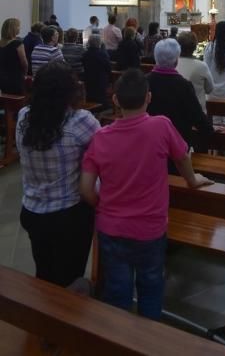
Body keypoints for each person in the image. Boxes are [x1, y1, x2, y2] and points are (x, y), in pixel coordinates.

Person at [80, 68, 212, 319]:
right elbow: (182, 156)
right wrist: (193, 180)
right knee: (151, 288)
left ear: (115, 100)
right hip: (150, 227)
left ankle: (117, 342)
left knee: (116, 292)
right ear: (148, 98)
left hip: (111, 228)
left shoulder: (100, 136)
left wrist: (105, 207)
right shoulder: (161, 126)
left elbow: (86, 189)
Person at [16, 62, 99, 286]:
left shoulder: (24, 116)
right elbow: (105, 152)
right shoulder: (80, 121)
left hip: (33, 209)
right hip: (68, 215)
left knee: (44, 273)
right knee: (69, 279)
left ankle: (44, 315)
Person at [147, 38, 212, 152]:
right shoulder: (184, 85)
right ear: (176, 61)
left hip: (150, 143)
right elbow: (197, 117)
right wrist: (209, 129)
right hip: (176, 146)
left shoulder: (144, 81)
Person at [176, 31, 214, 112]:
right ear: (195, 47)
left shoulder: (172, 64)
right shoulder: (201, 66)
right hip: (197, 112)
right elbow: (209, 89)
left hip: (177, 111)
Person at [82, 35, 112, 106]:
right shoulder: (103, 54)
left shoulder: (85, 54)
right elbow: (108, 68)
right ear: (99, 43)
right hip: (100, 82)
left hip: (88, 81)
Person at [0, 18, 28, 94]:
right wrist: (25, 73)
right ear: (13, 29)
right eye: (18, 26)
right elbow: (24, 62)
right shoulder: (17, 43)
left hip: (2, 78)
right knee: (17, 102)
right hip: (15, 78)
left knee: (5, 101)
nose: (20, 28)